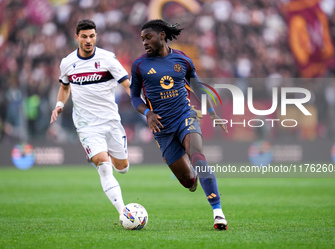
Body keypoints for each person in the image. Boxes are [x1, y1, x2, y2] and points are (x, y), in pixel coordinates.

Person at [130, 19, 228, 230]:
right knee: (188, 181)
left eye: (149, 38)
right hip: (162, 129)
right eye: (142, 39)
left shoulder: (182, 59)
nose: (145, 42)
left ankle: (218, 213)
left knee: (198, 157)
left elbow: (198, 88)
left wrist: (211, 111)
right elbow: (134, 97)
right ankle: (191, 175)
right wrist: (147, 113)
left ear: (162, 35)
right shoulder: (139, 65)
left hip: (185, 116)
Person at [50, 19, 130, 216]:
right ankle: (124, 213)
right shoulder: (68, 63)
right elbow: (64, 87)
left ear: (96, 37)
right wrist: (59, 104)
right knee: (104, 167)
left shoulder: (108, 59)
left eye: (92, 36)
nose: (88, 40)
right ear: (76, 37)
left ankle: (104, 153)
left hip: (111, 121)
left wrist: (145, 107)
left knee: (122, 168)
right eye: (84, 36)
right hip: (87, 125)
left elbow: (128, 85)